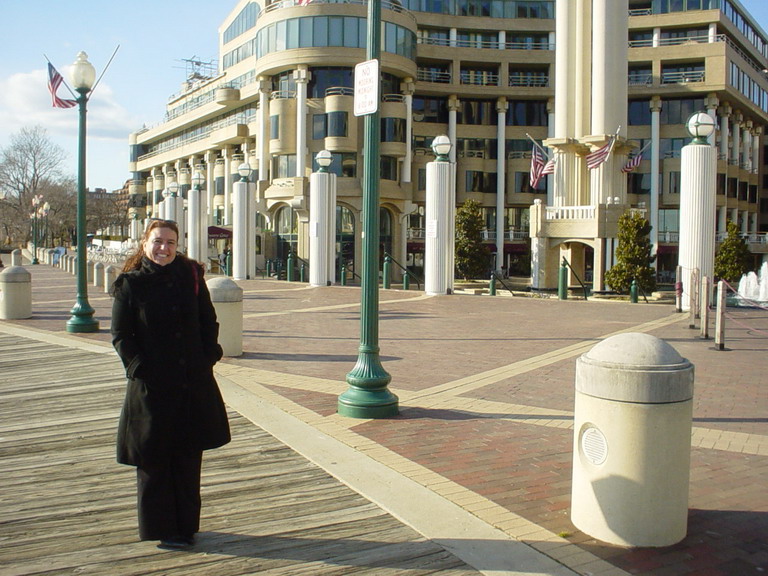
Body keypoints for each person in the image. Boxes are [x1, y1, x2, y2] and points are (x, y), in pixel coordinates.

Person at [110, 219, 230, 550]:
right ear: (145, 244)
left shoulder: (191, 275)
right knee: (154, 459)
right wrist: (139, 369)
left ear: (178, 246)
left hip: (193, 382)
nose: (164, 248)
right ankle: (161, 528)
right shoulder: (130, 284)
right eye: (158, 241)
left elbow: (209, 320)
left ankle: (186, 527)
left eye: (171, 243)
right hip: (151, 386)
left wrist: (209, 355)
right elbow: (121, 335)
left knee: (188, 457)